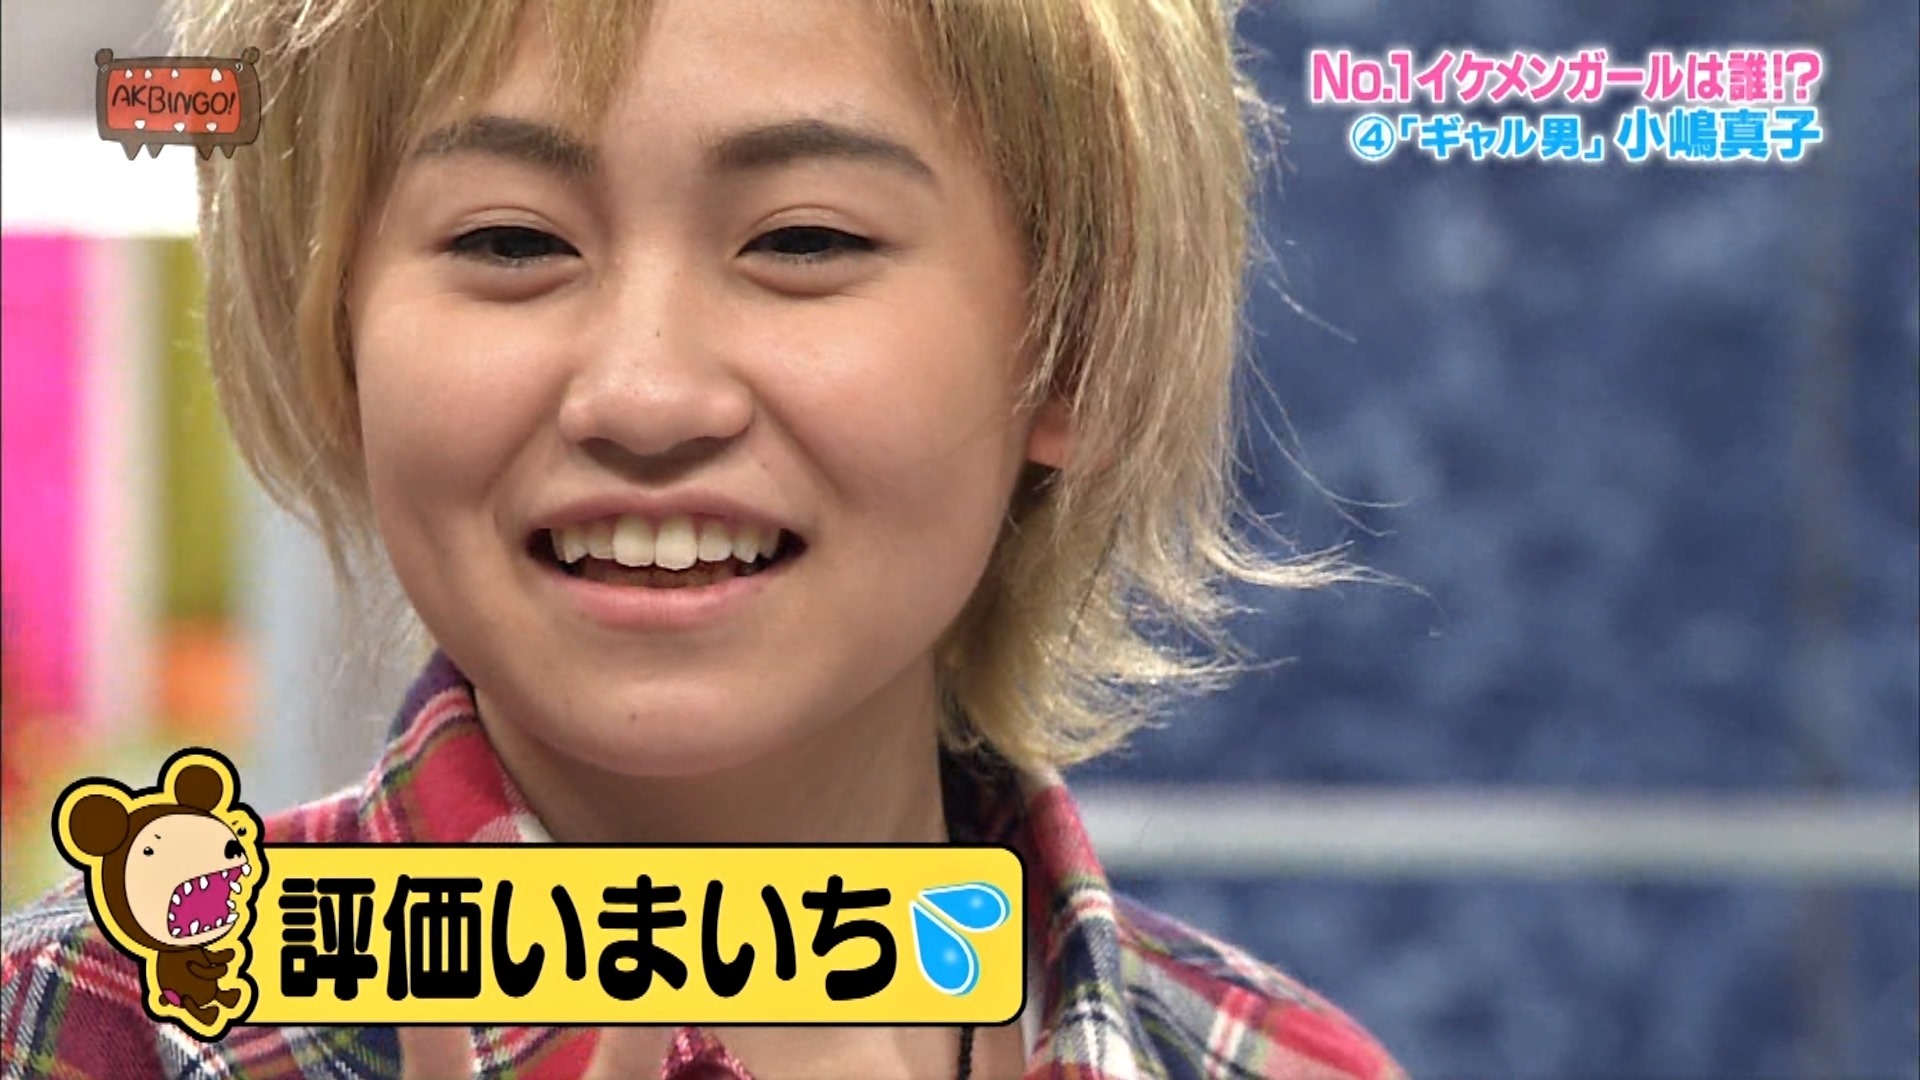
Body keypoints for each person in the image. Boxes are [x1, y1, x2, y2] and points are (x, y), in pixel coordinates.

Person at [1, 1, 1406, 1076]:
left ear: (1072, 348)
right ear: (336, 337)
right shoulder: (76, 1029)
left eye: (803, 242)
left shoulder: (1280, 1063)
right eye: (510, 242)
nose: (644, 394)